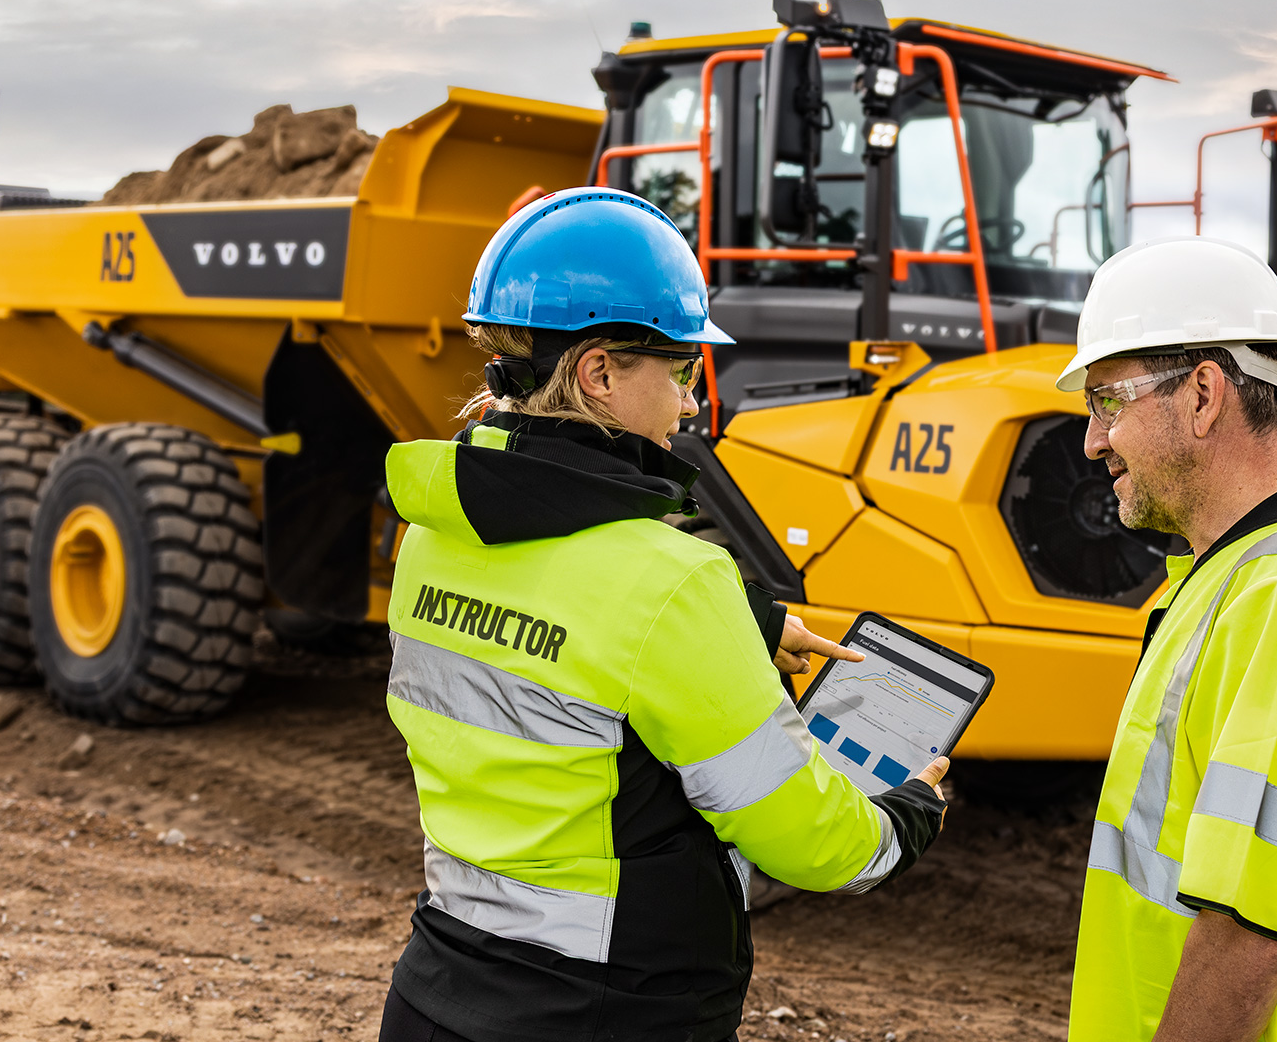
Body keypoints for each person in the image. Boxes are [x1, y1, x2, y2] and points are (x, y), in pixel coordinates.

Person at [377, 188, 950, 1042]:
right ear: (599, 373)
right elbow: (811, 844)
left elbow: (560, 640)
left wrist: (743, 629)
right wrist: (906, 817)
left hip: (436, 994)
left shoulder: (428, 538)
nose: (690, 404)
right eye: (681, 372)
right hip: (604, 1015)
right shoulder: (675, 584)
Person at [1061, 237, 1277, 1042]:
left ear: (1204, 394)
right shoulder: (1224, 577)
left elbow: (1247, 934)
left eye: (1108, 401)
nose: (1092, 440)